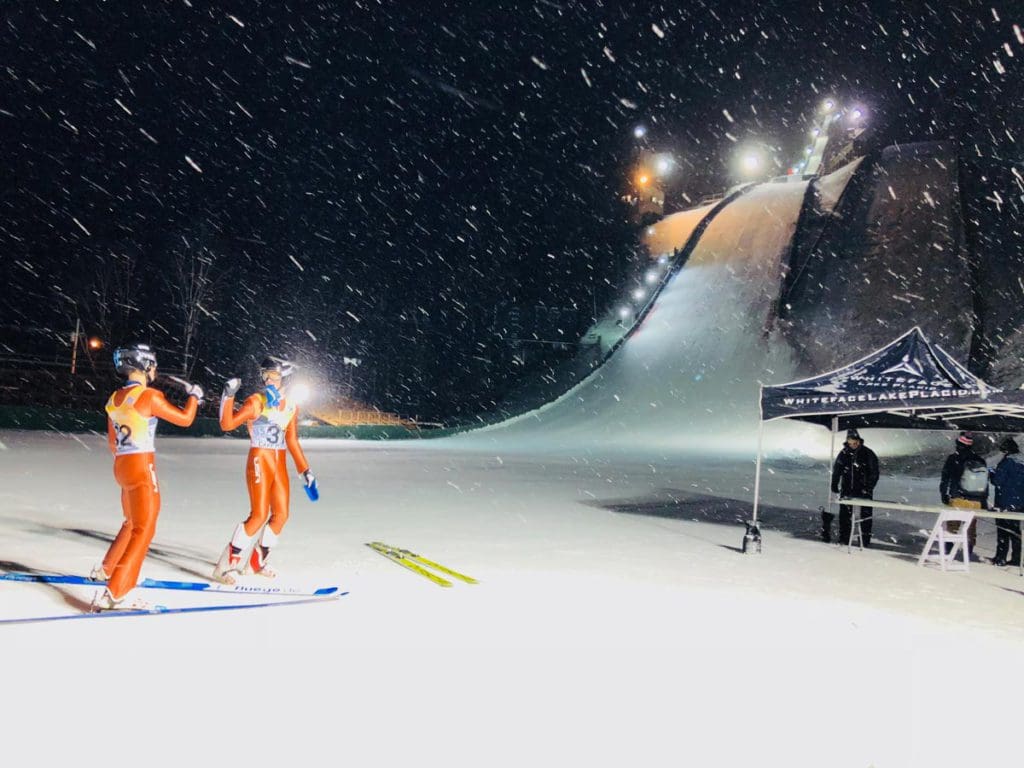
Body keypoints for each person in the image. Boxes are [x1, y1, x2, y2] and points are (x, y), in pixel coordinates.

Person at [92, 343, 203, 611]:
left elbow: (112, 442)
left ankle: (108, 569)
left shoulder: (114, 397)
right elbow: (185, 419)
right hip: (141, 464)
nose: (154, 370)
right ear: (143, 365)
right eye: (152, 364)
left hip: (122, 465)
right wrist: (195, 397)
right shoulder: (149, 396)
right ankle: (118, 591)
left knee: (131, 523)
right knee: (144, 529)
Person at [212, 356, 317, 583]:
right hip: (260, 458)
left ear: (285, 379)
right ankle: (225, 566)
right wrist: (228, 395)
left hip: (279, 462)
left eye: (274, 376)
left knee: (281, 515)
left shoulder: (291, 405)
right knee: (258, 515)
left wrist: (305, 471)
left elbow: (292, 441)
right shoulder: (257, 401)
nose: (268, 380)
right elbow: (227, 424)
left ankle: (255, 563)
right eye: (265, 375)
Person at [939, 431, 988, 555]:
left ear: (958, 444)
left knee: (952, 525)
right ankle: (968, 551)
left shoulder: (953, 458)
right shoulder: (980, 460)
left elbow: (945, 478)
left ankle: (948, 550)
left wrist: (943, 494)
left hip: (958, 498)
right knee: (971, 527)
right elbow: (984, 482)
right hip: (976, 500)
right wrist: (984, 500)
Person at [828, 428, 880, 546]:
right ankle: (844, 538)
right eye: (850, 442)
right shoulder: (843, 453)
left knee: (865, 516)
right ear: (847, 441)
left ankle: (865, 540)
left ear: (859, 441)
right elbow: (837, 470)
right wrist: (834, 483)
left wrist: (868, 488)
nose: (853, 445)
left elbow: (874, 473)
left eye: (855, 442)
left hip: (864, 490)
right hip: (847, 489)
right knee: (845, 516)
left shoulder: (868, 453)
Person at [990, 436, 1024, 567]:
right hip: (1020, 503)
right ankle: (1017, 557)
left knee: (1003, 529)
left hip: (1004, 502)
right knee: (1015, 530)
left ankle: (1001, 557)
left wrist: (992, 474)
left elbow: (998, 481)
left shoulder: (1006, 463)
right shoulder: (1022, 463)